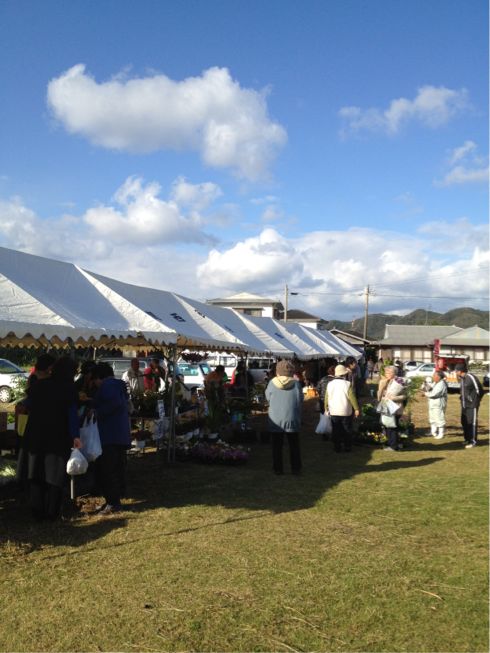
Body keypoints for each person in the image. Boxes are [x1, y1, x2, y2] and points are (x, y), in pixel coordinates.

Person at [22, 356, 81, 520]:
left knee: (36, 472)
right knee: (55, 474)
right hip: (58, 436)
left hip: (36, 435)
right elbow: (72, 415)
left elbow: (26, 405)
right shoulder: (69, 389)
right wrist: (75, 436)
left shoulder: (39, 385)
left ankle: (36, 511)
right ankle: (52, 512)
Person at [91, 362, 131, 514]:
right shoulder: (117, 385)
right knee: (117, 467)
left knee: (108, 470)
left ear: (99, 377)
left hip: (109, 434)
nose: (95, 383)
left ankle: (113, 503)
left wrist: (96, 412)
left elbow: (114, 404)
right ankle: (115, 498)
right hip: (119, 433)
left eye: (95, 380)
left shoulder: (108, 386)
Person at [265, 359, 303, 475]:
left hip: (276, 419)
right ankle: (296, 469)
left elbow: (268, 398)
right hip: (292, 417)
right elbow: (300, 400)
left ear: (278, 371)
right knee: (294, 445)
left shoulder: (272, 383)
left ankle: (278, 469)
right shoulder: (296, 384)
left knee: (276, 446)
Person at [324, 364, 359, 453]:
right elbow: (352, 397)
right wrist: (356, 408)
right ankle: (347, 447)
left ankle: (337, 447)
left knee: (336, 429)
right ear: (344, 374)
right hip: (345, 411)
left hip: (333, 411)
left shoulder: (330, 384)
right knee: (347, 429)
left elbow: (326, 397)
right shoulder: (347, 384)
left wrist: (326, 408)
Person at [377, 365, 406, 451]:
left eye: (389, 372)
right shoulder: (386, 382)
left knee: (392, 427)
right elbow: (379, 396)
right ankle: (390, 443)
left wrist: (393, 398)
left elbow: (405, 396)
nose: (387, 374)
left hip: (396, 408)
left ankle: (393, 446)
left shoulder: (399, 382)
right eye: (386, 372)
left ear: (394, 373)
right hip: (387, 407)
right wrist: (381, 388)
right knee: (387, 426)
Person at [455, 363, 484, 448]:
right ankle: (467, 439)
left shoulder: (471, 377)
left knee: (472, 423)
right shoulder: (462, 379)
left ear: (460, 371)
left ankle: (473, 441)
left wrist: (475, 400)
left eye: (456, 371)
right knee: (464, 422)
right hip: (464, 405)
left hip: (472, 405)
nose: (455, 372)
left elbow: (480, 390)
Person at [424, 370, 448, 439]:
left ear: (439, 377)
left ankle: (441, 433)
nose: (433, 377)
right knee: (432, 418)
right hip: (432, 403)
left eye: (434, 375)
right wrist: (425, 385)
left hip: (438, 403)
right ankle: (433, 432)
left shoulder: (442, 384)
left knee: (439, 418)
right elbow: (429, 389)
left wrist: (425, 394)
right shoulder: (435, 382)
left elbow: (434, 394)